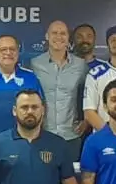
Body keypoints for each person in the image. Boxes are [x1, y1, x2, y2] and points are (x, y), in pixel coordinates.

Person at [31, 20, 89, 161]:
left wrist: (86, 121)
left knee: (70, 175)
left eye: (63, 33)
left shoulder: (81, 65)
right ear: (47, 36)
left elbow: (88, 95)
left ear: (68, 37)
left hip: (71, 135)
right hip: (42, 134)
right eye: (54, 33)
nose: (58, 37)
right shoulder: (35, 64)